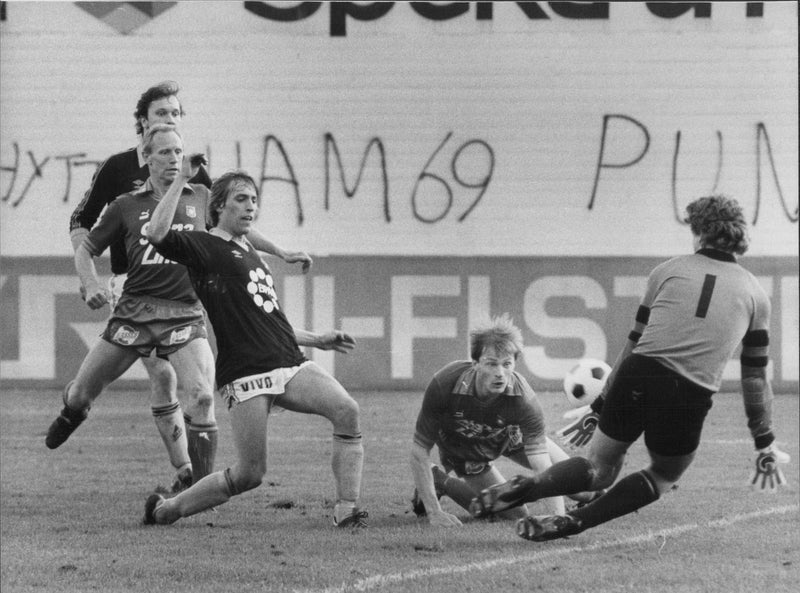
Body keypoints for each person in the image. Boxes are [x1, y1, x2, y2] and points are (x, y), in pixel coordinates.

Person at [472, 195, 788, 541]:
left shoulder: (665, 271)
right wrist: (764, 442)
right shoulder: (757, 295)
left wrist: (599, 406)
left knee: (598, 467)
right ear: (739, 236)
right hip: (688, 391)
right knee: (664, 474)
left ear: (698, 233)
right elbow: (755, 377)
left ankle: (531, 485)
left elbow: (633, 344)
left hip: (639, 372)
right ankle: (575, 522)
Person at [64, 81, 312, 489]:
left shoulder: (195, 181)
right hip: (132, 291)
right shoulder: (117, 171)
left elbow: (227, 225)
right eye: (162, 114)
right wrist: (89, 280)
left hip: (182, 298)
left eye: (176, 114)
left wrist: (281, 252)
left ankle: (189, 476)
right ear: (143, 126)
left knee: (194, 392)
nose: (170, 120)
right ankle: (79, 408)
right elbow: (81, 225)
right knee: (158, 378)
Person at [141, 164, 368, 528]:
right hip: (247, 371)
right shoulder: (204, 246)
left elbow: (269, 323)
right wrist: (182, 178)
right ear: (219, 208)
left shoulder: (250, 254)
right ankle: (168, 509)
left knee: (347, 410)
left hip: (287, 361)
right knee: (250, 474)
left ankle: (347, 510)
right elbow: (155, 232)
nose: (251, 207)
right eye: (241, 199)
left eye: (254, 200)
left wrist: (317, 339)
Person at [410, 314, 601, 527]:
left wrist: (556, 522)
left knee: (580, 489)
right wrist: (434, 512)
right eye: (491, 364)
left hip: (511, 435)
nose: (500, 373)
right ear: (475, 363)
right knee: (515, 514)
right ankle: (440, 480)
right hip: (465, 446)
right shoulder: (445, 384)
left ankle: (583, 496)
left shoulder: (524, 400)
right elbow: (419, 451)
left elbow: (544, 469)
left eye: (506, 364)